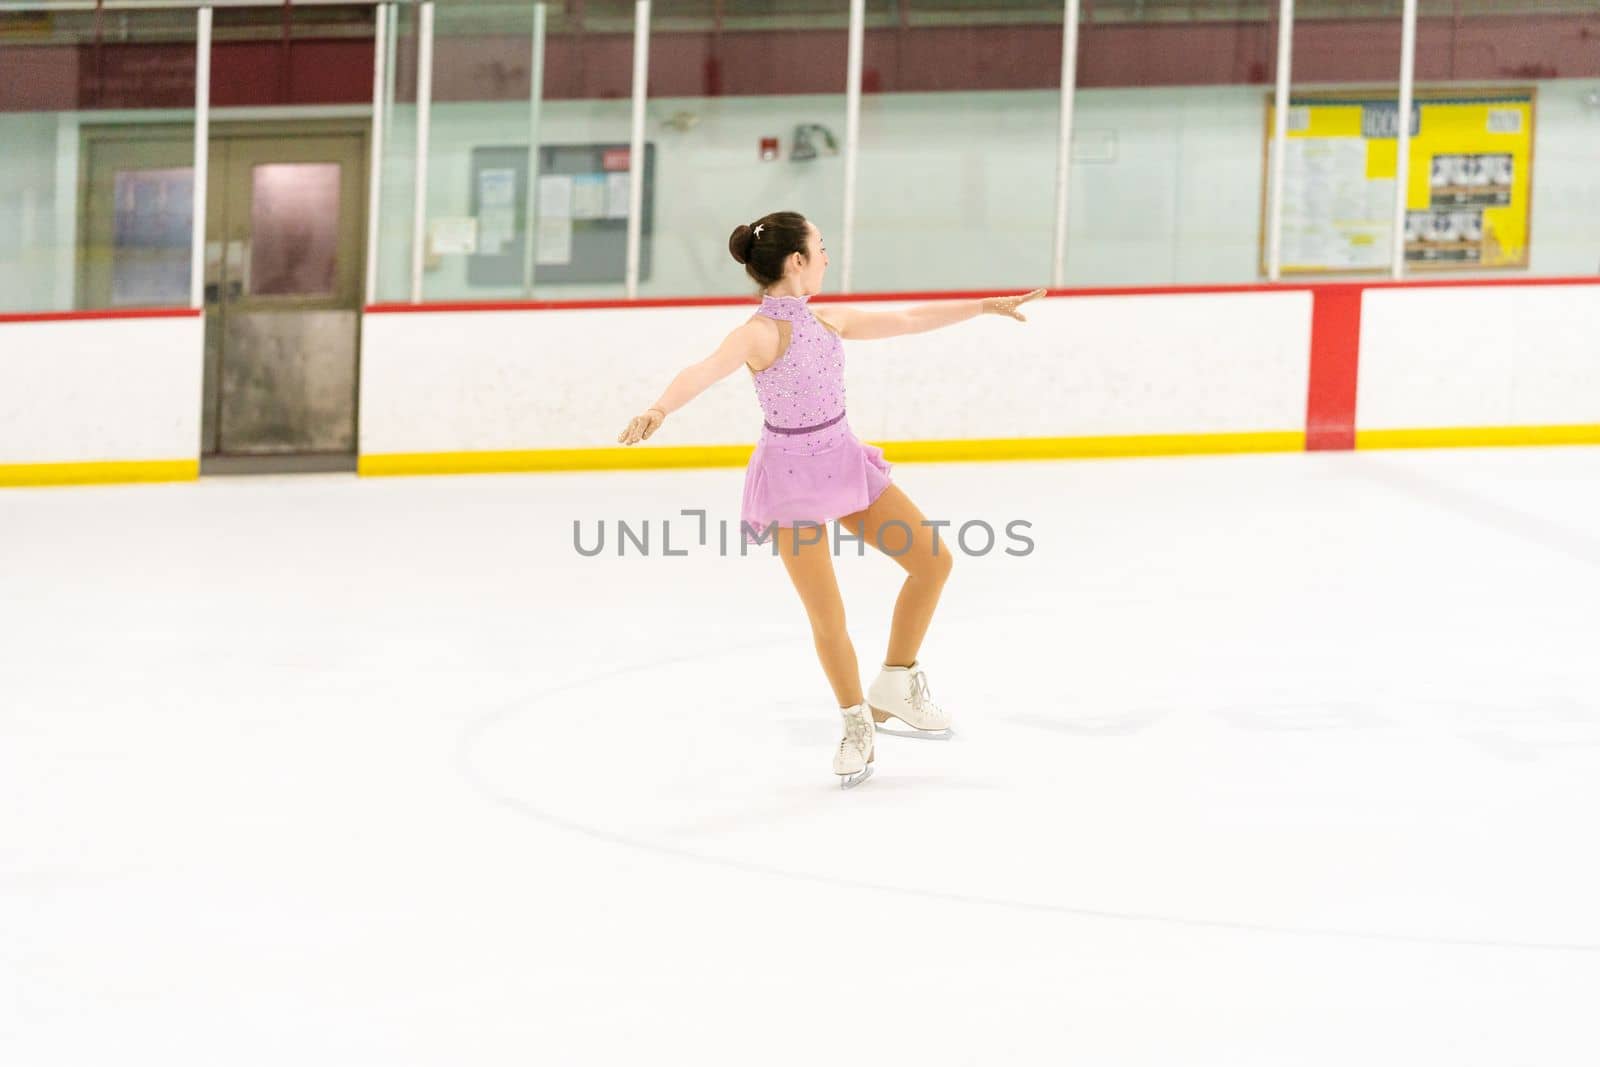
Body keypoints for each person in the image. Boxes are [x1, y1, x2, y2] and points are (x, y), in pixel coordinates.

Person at [617, 209, 1042, 788]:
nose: (827, 257)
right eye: (821, 247)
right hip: (791, 479)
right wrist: (658, 409)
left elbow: (908, 319)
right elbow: (705, 369)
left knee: (932, 561)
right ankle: (855, 724)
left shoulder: (828, 321)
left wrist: (982, 307)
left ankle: (895, 680)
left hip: (843, 461)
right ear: (796, 262)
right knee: (828, 614)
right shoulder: (759, 333)